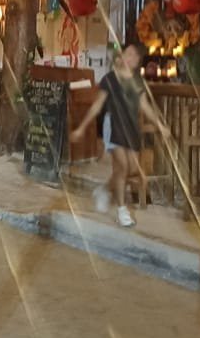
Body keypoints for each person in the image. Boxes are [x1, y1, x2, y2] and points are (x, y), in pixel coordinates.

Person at [70, 42, 167, 228]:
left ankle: (104, 190)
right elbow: (98, 105)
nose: (127, 57)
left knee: (130, 169)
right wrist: (82, 128)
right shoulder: (109, 79)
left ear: (137, 61)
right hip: (112, 126)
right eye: (126, 53)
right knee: (121, 167)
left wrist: (160, 125)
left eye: (132, 55)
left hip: (131, 129)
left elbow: (145, 106)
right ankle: (123, 212)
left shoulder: (138, 81)